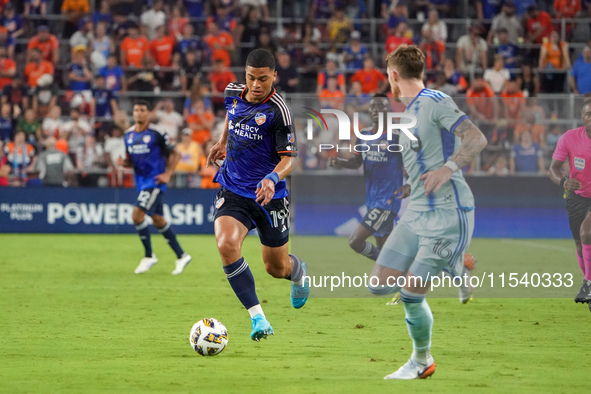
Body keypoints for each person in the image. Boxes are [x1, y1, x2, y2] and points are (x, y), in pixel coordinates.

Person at [379, 45, 487, 380]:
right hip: (422, 206)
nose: (389, 82)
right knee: (382, 281)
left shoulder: (436, 100)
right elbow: (423, 158)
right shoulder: (410, 112)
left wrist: (447, 169)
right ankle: (457, 264)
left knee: (411, 292)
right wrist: (412, 184)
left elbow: (476, 138)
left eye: (388, 76)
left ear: (394, 75)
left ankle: (422, 361)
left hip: (447, 208)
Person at [206, 49, 308, 341]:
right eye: (251, 78)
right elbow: (231, 113)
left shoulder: (279, 111)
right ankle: (258, 319)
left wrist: (272, 177)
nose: (256, 84)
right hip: (234, 187)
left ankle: (297, 270)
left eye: (263, 79)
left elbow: (290, 158)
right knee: (226, 244)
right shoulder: (232, 92)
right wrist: (222, 140)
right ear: (245, 76)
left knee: (275, 268)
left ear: (274, 76)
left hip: (269, 195)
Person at [116, 100, 192, 275]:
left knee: (136, 215)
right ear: (133, 113)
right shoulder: (128, 135)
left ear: (149, 113)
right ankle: (182, 255)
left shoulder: (157, 132)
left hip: (155, 182)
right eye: (136, 109)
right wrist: (124, 163)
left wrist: (168, 174)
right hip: (141, 182)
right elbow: (131, 159)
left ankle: (149, 256)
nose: (139, 113)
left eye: (143, 110)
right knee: (158, 219)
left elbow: (176, 153)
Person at [329, 94, 404, 261]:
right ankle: (395, 274)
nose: (376, 110)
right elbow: (357, 161)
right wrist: (339, 161)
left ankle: (394, 270)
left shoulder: (398, 135)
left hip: (388, 202)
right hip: (372, 200)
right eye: (373, 107)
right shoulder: (363, 135)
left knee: (355, 241)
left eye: (381, 106)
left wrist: (411, 183)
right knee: (383, 246)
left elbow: (413, 162)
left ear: (389, 110)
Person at [548, 99, 591, 310]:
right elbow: (553, 169)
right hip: (576, 196)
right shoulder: (570, 138)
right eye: (588, 114)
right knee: (578, 242)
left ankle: (588, 283)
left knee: (587, 232)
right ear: (583, 117)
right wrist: (564, 181)